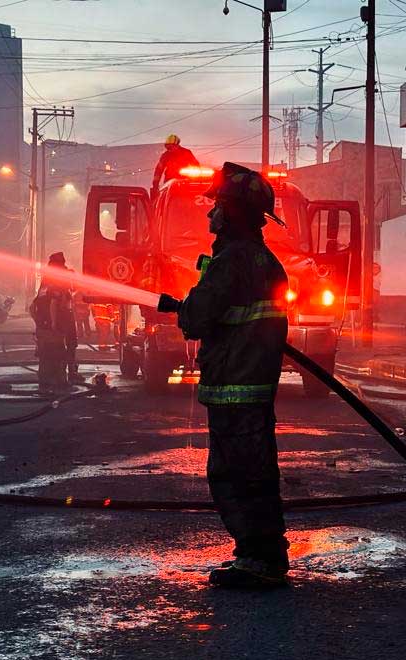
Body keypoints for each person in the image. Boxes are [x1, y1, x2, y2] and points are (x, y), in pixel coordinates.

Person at [167, 162, 291, 588]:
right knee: (255, 474)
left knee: (237, 477)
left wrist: (185, 308)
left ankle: (260, 561)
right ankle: (261, 556)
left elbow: (197, 319)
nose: (210, 213)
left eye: (217, 204)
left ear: (234, 211)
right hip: (253, 388)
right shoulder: (266, 262)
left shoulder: (231, 261)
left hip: (234, 388)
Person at [32, 254, 76, 389]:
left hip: (43, 326)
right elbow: (54, 304)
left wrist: (39, 323)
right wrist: (54, 323)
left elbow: (32, 307)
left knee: (45, 354)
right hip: (57, 324)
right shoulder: (58, 284)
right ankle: (61, 380)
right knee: (60, 352)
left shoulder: (44, 285)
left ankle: (45, 381)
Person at [150, 134, 199, 198]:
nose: (169, 149)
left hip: (185, 182)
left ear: (177, 145)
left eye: (171, 147)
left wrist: (196, 179)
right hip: (169, 183)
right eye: (167, 147)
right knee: (168, 198)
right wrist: (155, 185)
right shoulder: (165, 155)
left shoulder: (186, 153)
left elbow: (196, 165)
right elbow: (158, 171)